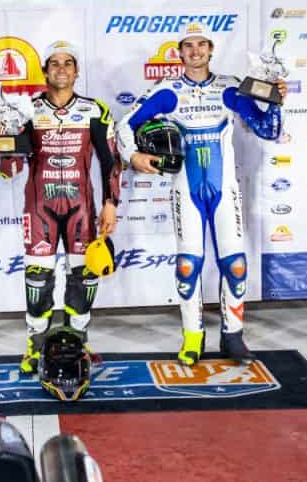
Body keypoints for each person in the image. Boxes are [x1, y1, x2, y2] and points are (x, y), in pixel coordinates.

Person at [118, 24, 286, 367]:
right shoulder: (168, 91)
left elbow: (268, 130)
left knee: (235, 265)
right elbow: (123, 125)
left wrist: (276, 102)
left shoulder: (230, 87)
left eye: (201, 45)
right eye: (188, 45)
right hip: (186, 191)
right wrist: (133, 156)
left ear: (211, 49)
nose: (195, 51)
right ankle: (192, 336)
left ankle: (233, 335)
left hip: (225, 191)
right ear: (180, 52)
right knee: (187, 265)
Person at [16, 40, 121, 374]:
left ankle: (78, 341)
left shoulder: (95, 110)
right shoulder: (27, 109)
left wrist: (110, 203)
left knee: (84, 278)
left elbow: (111, 160)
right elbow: (8, 164)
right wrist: (1, 140)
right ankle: (35, 346)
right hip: (39, 207)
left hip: (81, 207)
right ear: (45, 71)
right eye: (55, 63)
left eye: (68, 63)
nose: (61, 69)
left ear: (76, 71)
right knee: (37, 280)